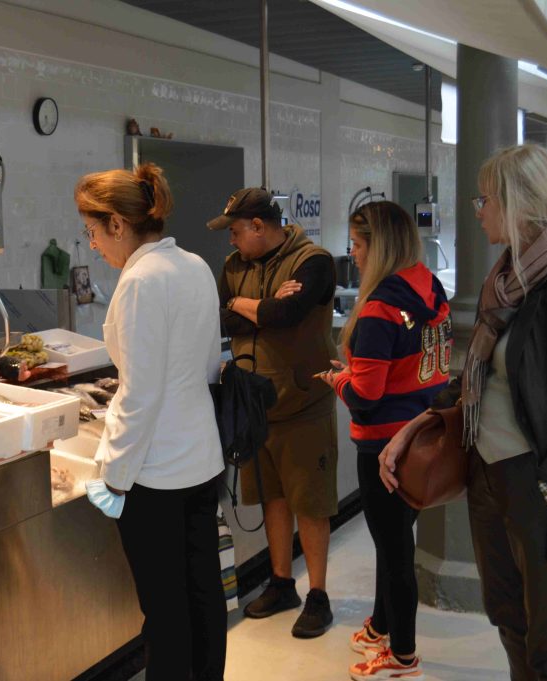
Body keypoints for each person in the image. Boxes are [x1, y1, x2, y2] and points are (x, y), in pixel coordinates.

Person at [381, 144, 547, 681]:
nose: (479, 210)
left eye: (485, 199)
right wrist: (416, 428)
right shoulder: (507, 280)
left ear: (517, 203)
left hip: (541, 482)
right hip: (490, 475)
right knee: (510, 618)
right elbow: (486, 379)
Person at [75, 162, 226, 681]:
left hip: (155, 476)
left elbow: (139, 394)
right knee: (204, 596)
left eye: (93, 231)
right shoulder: (195, 266)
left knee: (165, 613)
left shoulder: (140, 281)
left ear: (118, 224)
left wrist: (111, 477)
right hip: (202, 462)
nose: (93, 245)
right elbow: (209, 366)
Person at [318, 201, 451, 680]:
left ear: (379, 246)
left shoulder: (377, 311)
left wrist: (338, 380)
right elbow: (417, 369)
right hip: (421, 436)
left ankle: (403, 656)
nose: (351, 254)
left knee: (395, 553)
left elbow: (366, 397)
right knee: (393, 539)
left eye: (356, 244)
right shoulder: (430, 288)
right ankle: (380, 624)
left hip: (384, 450)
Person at [210, 187, 339, 638]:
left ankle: (318, 595)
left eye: (236, 231)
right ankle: (282, 582)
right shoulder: (233, 267)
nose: (231, 241)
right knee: (273, 499)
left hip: (303, 401)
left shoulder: (314, 261)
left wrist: (250, 307)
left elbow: (288, 314)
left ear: (260, 227)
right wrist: (258, 309)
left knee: (311, 502)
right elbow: (220, 318)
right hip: (255, 403)